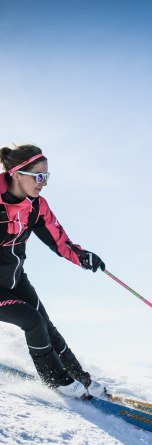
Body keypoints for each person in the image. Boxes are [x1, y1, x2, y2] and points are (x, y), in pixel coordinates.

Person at [0, 144, 105, 399]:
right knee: (32, 321)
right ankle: (58, 382)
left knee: (45, 323)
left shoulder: (36, 207)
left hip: (15, 280)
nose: (43, 183)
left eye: (46, 177)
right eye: (38, 176)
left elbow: (59, 241)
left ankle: (81, 379)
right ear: (16, 174)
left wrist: (82, 256)